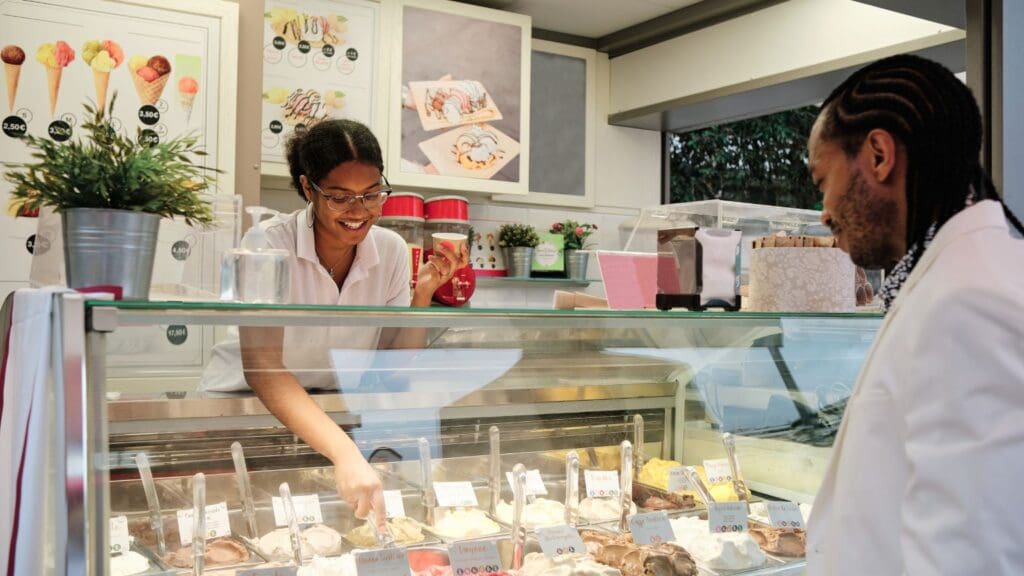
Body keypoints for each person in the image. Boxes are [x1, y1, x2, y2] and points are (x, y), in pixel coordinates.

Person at [806, 54, 1024, 574]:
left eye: (822, 181)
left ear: (878, 155)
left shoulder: (968, 299)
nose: (825, 211)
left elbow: (972, 556)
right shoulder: (958, 275)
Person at [209, 119, 468, 526]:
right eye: (340, 198)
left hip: (333, 421)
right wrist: (346, 453)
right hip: (248, 417)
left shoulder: (392, 249)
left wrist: (422, 295)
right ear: (308, 188)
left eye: (371, 195)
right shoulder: (267, 242)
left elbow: (393, 367)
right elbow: (263, 369)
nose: (359, 212)